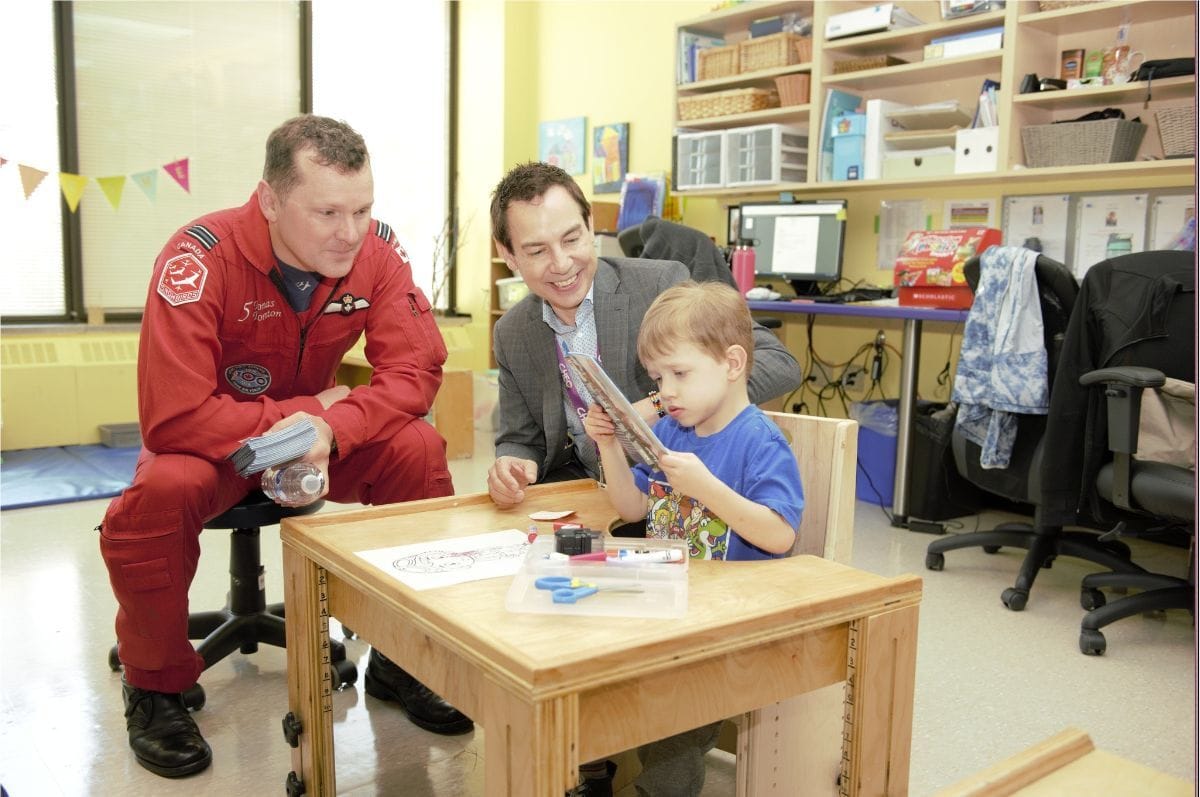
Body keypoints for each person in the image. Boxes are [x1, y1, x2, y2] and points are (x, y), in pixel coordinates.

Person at [99, 115, 471, 779]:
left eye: (362, 209)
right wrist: (309, 414)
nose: (350, 231)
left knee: (417, 449)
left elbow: (415, 371)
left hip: (323, 442)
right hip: (215, 447)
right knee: (160, 492)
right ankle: (154, 687)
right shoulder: (198, 258)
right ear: (270, 200)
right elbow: (173, 416)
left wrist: (332, 427)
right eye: (327, 212)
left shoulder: (376, 255)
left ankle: (401, 660)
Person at [582, 280, 805, 795]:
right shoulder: (672, 431)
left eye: (679, 374)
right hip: (669, 608)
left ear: (732, 363)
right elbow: (633, 508)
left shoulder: (759, 441)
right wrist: (609, 446)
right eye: (658, 377)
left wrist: (706, 488)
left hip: (726, 628)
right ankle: (591, 767)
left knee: (675, 716)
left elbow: (779, 535)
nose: (666, 391)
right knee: (590, 657)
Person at [486, 162, 801, 509]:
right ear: (508, 254)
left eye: (571, 239)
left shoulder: (659, 286)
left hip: (669, 497)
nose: (561, 264)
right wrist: (513, 465)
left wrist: (658, 405)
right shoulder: (512, 332)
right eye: (537, 251)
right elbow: (520, 439)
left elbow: (779, 363)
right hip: (584, 494)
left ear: (590, 225)